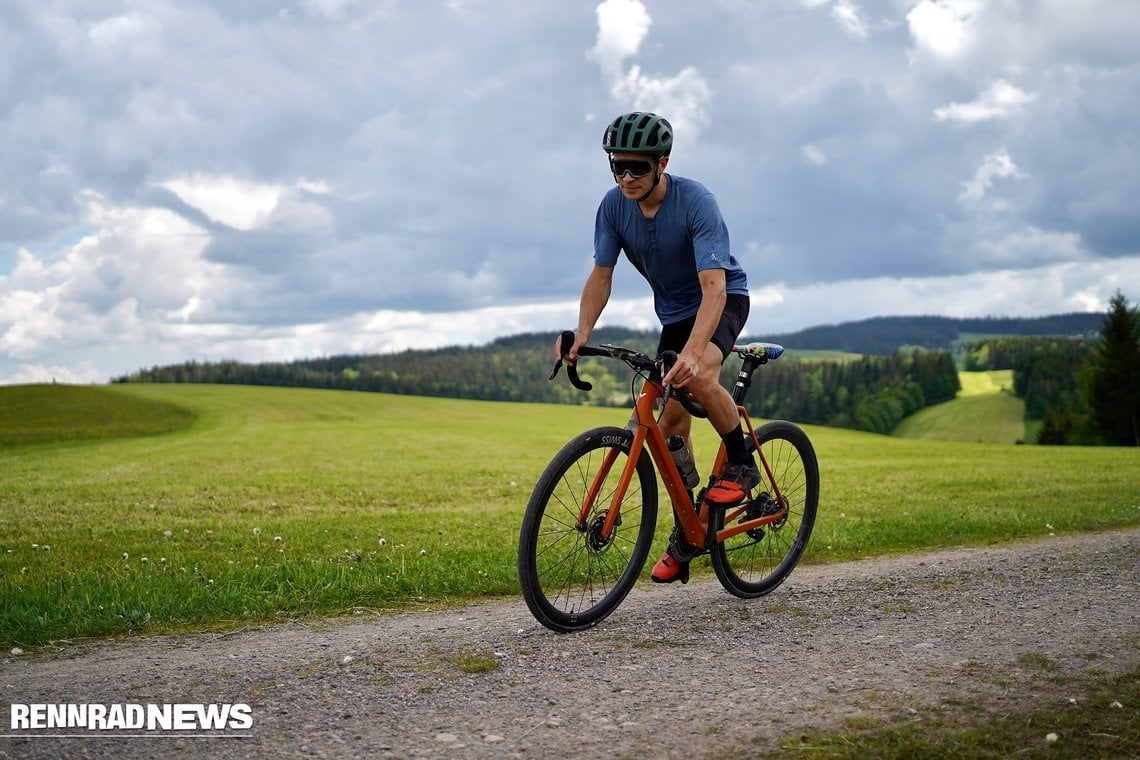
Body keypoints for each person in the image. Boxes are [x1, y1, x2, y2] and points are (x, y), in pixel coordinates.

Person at [558, 111, 757, 584]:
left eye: (637, 168)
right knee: (666, 422)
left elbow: (714, 287)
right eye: (616, 167)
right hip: (672, 315)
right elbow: (601, 276)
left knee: (701, 374)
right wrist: (582, 332)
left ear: (661, 164)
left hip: (722, 301)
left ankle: (742, 464)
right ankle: (691, 526)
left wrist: (694, 351)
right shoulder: (612, 207)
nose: (626, 177)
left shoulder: (696, 202)